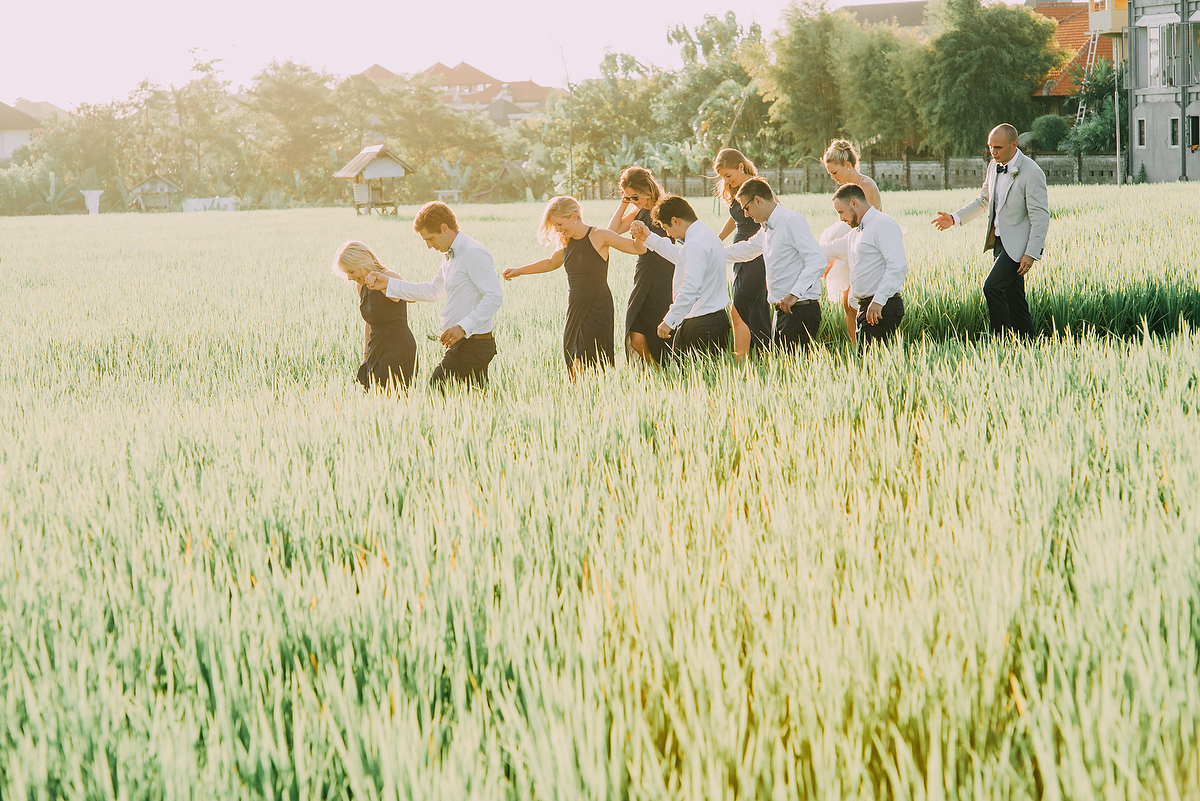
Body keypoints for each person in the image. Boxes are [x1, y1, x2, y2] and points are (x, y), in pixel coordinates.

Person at [503, 196, 648, 378]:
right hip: (574, 307)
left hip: (598, 306)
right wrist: (519, 271)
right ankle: (577, 399)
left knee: (592, 359)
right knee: (572, 358)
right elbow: (550, 263)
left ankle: (597, 396)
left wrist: (641, 234)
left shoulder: (599, 235)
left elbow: (637, 249)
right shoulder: (567, 242)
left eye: (559, 224)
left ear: (573, 216)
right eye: (555, 226)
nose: (557, 229)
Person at [364, 201, 503, 388]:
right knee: (473, 403)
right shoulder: (450, 255)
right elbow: (432, 291)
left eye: (430, 239)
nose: (429, 246)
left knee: (435, 391)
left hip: (473, 344)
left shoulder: (473, 253)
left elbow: (494, 296)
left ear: (444, 228)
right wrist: (389, 283)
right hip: (463, 344)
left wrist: (462, 327)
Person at [932, 123, 1049, 339]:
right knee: (1015, 299)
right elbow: (983, 200)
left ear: (1014, 145)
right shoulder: (993, 166)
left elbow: (1040, 217)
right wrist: (954, 218)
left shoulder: (1032, 172)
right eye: (990, 147)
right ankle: (1028, 344)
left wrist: (1031, 253)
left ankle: (1000, 340)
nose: (993, 152)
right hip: (998, 243)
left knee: (991, 287)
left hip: (1018, 247)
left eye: (998, 147)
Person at [721, 178, 827, 351]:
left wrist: (794, 294)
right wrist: (711, 253)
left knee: (794, 373)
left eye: (746, 208)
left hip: (799, 309)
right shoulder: (766, 228)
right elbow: (747, 249)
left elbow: (817, 260)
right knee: (784, 372)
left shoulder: (790, 220)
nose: (746, 215)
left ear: (758, 200)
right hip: (782, 311)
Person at [630, 196, 732, 358]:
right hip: (712, 322)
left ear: (675, 221)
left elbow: (691, 288)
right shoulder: (705, 235)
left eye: (666, 228)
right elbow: (680, 257)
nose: (669, 234)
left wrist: (669, 321)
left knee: (693, 380)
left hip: (701, 325)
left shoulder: (695, 244)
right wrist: (648, 237)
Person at [820, 183, 908, 350]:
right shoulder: (855, 233)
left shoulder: (882, 223)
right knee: (867, 365)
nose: (841, 219)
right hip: (866, 307)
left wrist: (879, 301)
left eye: (841, 212)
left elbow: (897, 264)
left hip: (881, 307)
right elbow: (829, 249)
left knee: (872, 366)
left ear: (854, 203)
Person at [606, 167, 676, 368]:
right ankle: (658, 371)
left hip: (666, 274)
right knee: (635, 333)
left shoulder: (667, 208)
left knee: (664, 333)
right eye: (629, 198)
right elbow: (612, 231)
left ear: (647, 188)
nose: (633, 202)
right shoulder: (638, 211)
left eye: (635, 197)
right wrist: (624, 204)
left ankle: (669, 372)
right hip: (643, 274)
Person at [333, 240, 418, 391]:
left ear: (362, 263)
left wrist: (385, 285)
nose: (349, 278)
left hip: (397, 347)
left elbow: (411, 297)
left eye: (351, 272)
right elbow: (369, 323)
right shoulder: (361, 286)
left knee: (393, 397)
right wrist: (366, 355)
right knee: (372, 395)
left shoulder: (388, 276)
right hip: (375, 348)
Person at [822, 139, 883, 345]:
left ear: (847, 165)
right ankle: (855, 348)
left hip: (866, 248)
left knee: (855, 303)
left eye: (835, 172)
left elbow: (859, 223)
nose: (833, 178)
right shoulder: (846, 189)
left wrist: (828, 251)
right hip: (850, 247)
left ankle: (868, 346)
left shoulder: (865, 185)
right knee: (847, 305)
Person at [713, 148, 772, 359]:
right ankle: (745, 363)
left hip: (755, 252)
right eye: (723, 178)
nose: (727, 181)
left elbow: (776, 214)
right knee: (741, 310)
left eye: (728, 175)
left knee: (746, 309)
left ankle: (756, 359)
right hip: (738, 252)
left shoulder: (758, 187)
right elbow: (735, 217)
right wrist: (717, 238)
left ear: (740, 166)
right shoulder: (736, 190)